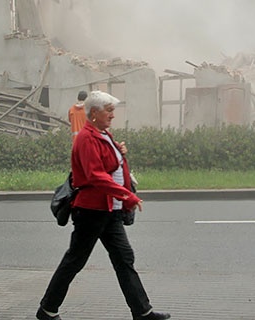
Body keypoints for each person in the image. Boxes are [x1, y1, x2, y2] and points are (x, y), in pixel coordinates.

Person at [37, 91, 170, 320]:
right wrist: (127, 196)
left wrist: (119, 153)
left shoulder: (103, 133)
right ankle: (47, 310)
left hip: (109, 209)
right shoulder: (86, 138)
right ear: (94, 113)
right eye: (108, 110)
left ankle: (142, 311)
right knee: (74, 261)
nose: (113, 115)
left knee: (124, 258)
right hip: (91, 211)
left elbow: (109, 164)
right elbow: (96, 175)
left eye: (112, 110)